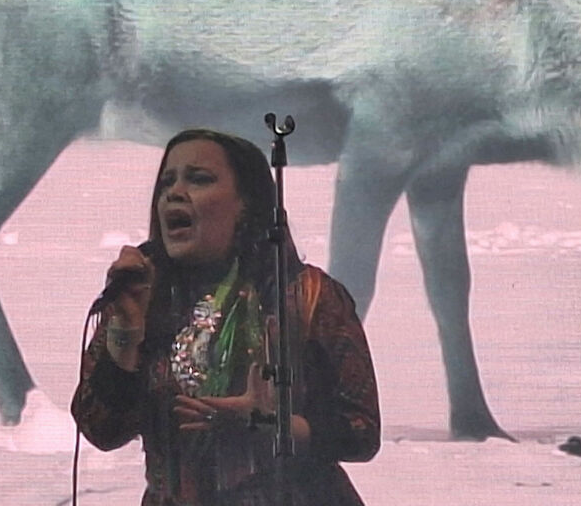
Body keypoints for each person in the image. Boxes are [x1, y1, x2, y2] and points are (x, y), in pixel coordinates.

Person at [72, 128, 380, 505]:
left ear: (245, 204)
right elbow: (101, 430)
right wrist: (125, 331)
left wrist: (269, 424)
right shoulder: (145, 295)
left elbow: (361, 432)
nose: (175, 192)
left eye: (199, 179)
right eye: (167, 182)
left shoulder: (306, 294)